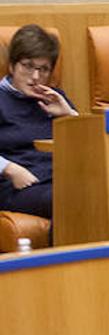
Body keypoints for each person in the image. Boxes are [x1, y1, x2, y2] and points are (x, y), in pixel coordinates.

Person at [0, 25, 76, 221]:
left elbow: (89, 146)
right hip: (17, 185)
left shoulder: (55, 98)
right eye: (27, 66)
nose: (35, 77)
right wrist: (9, 169)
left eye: (43, 69)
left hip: (62, 180)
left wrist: (68, 114)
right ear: (11, 66)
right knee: (72, 200)